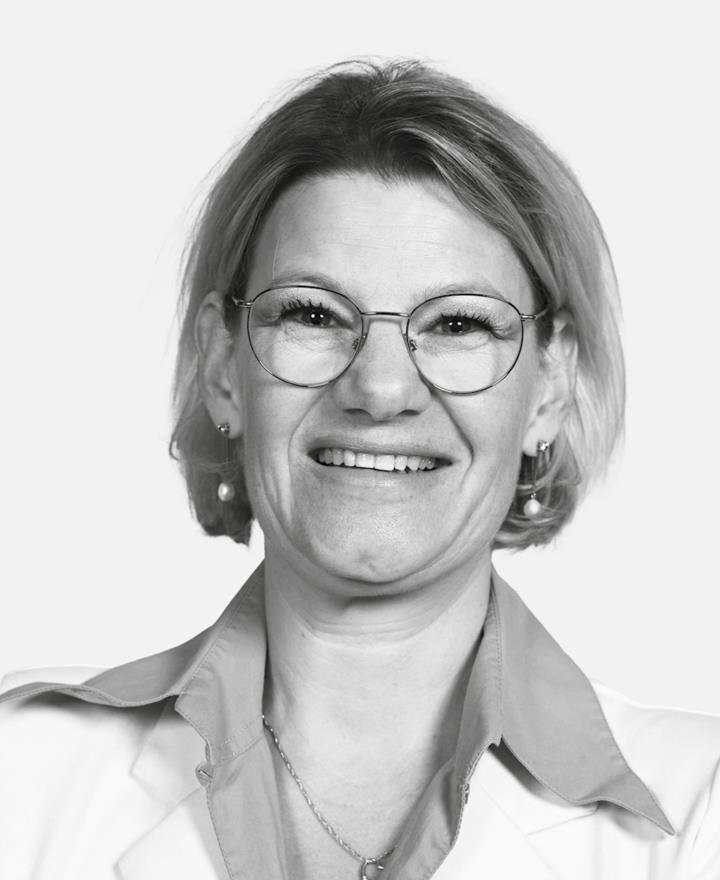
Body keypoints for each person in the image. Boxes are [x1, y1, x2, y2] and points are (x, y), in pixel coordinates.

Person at [1, 59, 718, 880]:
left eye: (457, 324)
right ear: (223, 367)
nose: (380, 390)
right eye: (312, 314)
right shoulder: (17, 777)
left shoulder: (703, 814)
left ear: (549, 388)